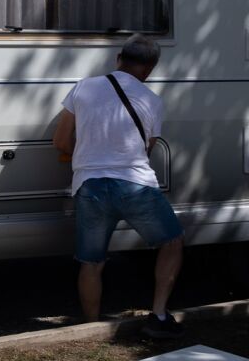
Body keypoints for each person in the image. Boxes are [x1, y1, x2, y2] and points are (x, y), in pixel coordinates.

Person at [53, 33, 186, 338]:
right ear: (149, 69)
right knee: (172, 242)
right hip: (135, 186)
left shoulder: (83, 87)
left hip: (90, 186)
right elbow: (146, 149)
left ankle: (90, 328)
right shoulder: (152, 100)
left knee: (92, 262)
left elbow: (60, 141)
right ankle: (159, 315)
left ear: (118, 59)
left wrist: (88, 157)